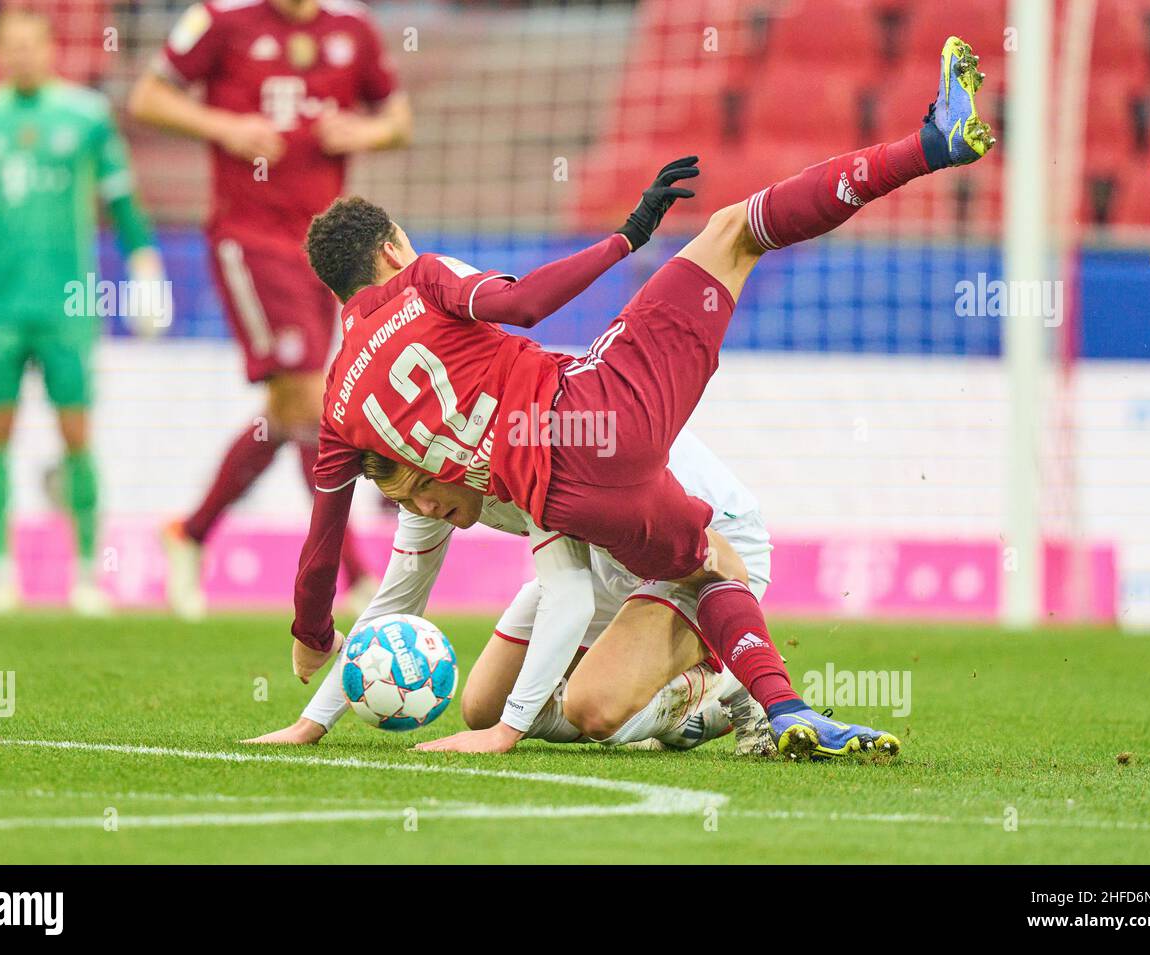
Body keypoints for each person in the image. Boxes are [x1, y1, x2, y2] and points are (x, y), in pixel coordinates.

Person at [291, 36, 994, 758]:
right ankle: (928, 145)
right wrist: (626, 238)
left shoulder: (366, 420)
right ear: (393, 249)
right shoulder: (431, 290)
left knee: (651, 621)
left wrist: (311, 639)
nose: (424, 509)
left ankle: (741, 701)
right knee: (732, 231)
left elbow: (326, 544)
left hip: (581, 499)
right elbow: (526, 303)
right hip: (597, 420)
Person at [128, 0, 410, 618]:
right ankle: (357, 577)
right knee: (312, 400)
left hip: (326, 246)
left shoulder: (351, 26)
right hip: (250, 238)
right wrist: (223, 126)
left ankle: (190, 534)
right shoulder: (222, 18)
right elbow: (148, 96)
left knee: (289, 410)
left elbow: (398, 119)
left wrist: (362, 132)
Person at [246, 429, 777, 757]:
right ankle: (686, 717)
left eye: (423, 490)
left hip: (707, 550)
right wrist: (309, 724)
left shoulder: (519, 459)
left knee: (592, 708)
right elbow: (394, 605)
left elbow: (569, 600)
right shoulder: (429, 489)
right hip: (607, 557)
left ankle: (731, 689)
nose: (422, 509)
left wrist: (509, 733)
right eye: (402, 501)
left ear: (445, 459)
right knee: (482, 706)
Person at [0, 8, 169, 615]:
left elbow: (120, 197)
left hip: (69, 304)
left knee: (76, 433)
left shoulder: (85, 117)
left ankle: (87, 575)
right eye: (12, 47)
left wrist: (144, 263)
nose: (23, 56)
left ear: (51, 48)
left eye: (33, 45)